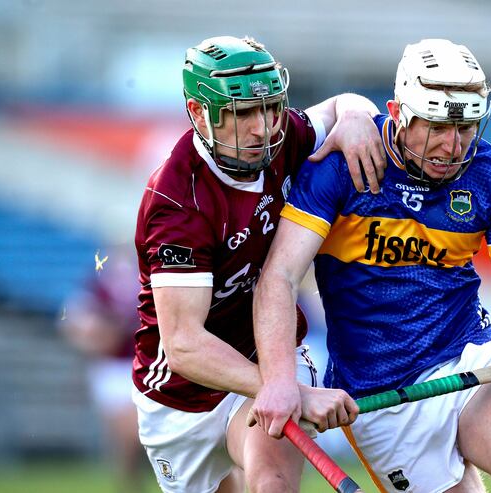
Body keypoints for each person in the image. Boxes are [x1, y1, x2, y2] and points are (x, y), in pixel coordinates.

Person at [251, 39, 491, 492]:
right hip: (380, 396)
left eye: (465, 128)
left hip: (469, 360)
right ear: (398, 113)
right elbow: (278, 278)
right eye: (437, 128)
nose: (452, 147)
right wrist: (280, 381)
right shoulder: (339, 168)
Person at [131, 35, 382, 493]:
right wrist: (291, 391)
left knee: (272, 482)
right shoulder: (178, 202)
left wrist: (356, 116)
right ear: (199, 112)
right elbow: (184, 344)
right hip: (181, 392)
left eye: (270, 108)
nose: (262, 129)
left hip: (269, 357)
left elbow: (341, 104)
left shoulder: (285, 138)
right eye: (243, 113)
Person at [60, 246, 146, 492]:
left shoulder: (145, 276)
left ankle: (132, 482)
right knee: (123, 437)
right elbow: (72, 323)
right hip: (113, 368)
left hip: (143, 364)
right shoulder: (98, 283)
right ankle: (130, 484)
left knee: (133, 433)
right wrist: (96, 337)